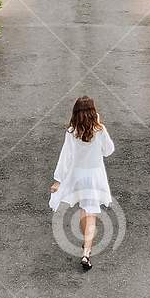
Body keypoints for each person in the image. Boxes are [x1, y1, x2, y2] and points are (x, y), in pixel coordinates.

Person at [49, 96, 116, 271]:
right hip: (95, 177)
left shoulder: (72, 131)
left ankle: (86, 246)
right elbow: (108, 151)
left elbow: (65, 157)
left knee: (83, 211)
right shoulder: (99, 130)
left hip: (78, 176)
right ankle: (86, 252)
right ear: (94, 112)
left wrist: (58, 180)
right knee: (91, 213)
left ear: (76, 112)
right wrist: (101, 125)